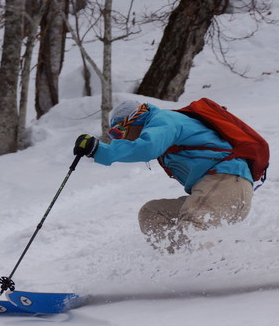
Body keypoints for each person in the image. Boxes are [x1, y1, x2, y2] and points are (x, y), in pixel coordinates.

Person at [73, 100, 253, 253]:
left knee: (193, 224)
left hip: (226, 180)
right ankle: (179, 265)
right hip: (217, 192)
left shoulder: (163, 120)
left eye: (119, 133)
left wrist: (99, 150)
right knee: (152, 212)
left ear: (134, 121)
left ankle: (205, 270)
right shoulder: (161, 129)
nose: (119, 140)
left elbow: (147, 148)